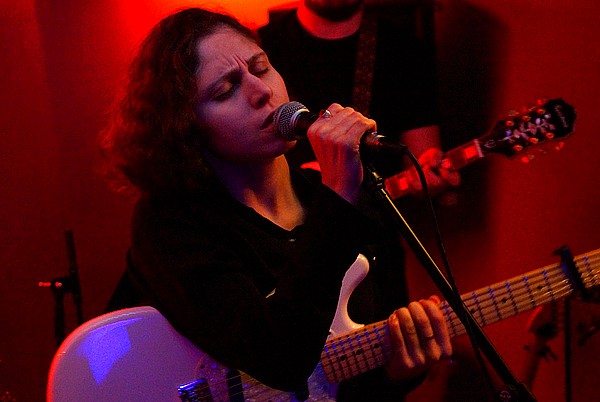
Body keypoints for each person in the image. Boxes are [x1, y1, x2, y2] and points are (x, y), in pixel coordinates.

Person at [101, 7, 452, 401]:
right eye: (226, 90)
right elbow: (281, 359)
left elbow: (337, 378)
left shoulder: (340, 198)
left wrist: (397, 372)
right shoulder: (173, 225)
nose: (261, 91)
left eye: (261, 68)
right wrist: (338, 197)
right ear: (186, 129)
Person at [258, 0, 460, 197]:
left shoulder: (405, 52)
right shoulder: (258, 51)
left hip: (371, 215)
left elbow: (421, 160)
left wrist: (430, 176)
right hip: (280, 213)